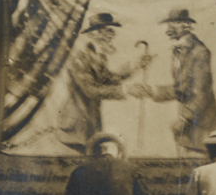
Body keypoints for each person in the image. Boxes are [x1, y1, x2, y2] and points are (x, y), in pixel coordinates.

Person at [54, 13, 148, 154]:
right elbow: (91, 90)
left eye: (111, 30)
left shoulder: (99, 56)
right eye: (106, 30)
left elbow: (108, 79)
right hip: (74, 127)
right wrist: (125, 90)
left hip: (90, 122)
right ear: (94, 34)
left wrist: (135, 66)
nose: (111, 35)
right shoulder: (81, 57)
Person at [146, 9, 216, 157]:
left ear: (186, 25)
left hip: (201, 119)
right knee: (186, 163)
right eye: (169, 24)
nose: (169, 28)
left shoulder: (199, 51)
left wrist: (185, 119)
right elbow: (182, 88)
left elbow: (201, 92)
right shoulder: (178, 51)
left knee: (199, 161)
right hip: (189, 122)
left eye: (175, 23)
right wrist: (151, 90)